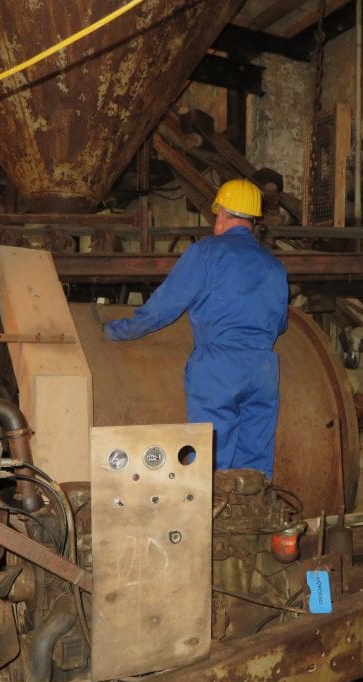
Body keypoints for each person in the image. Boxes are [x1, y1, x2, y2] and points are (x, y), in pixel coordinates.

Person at [103, 179, 289, 478]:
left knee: (211, 459)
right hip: (263, 369)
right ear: (253, 221)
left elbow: (163, 308)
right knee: (254, 460)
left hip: (219, 366)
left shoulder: (206, 252)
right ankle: (253, 519)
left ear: (222, 214)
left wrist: (118, 331)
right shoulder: (274, 265)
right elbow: (280, 323)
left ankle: (213, 520)